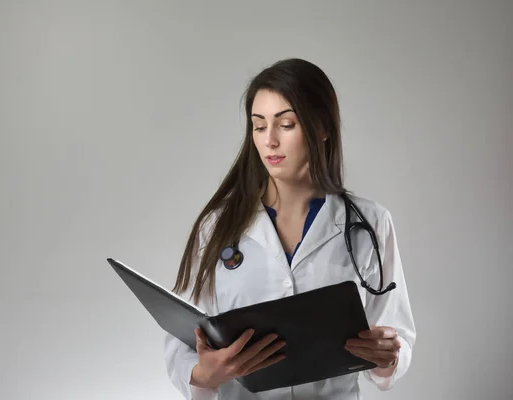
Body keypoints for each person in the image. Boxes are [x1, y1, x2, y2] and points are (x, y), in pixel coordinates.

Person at [163, 58, 416, 399]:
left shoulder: (370, 224)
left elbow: (395, 338)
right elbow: (181, 341)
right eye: (258, 125)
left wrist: (386, 356)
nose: (269, 141)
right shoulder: (217, 227)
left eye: (286, 124)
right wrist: (203, 374)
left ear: (323, 128)